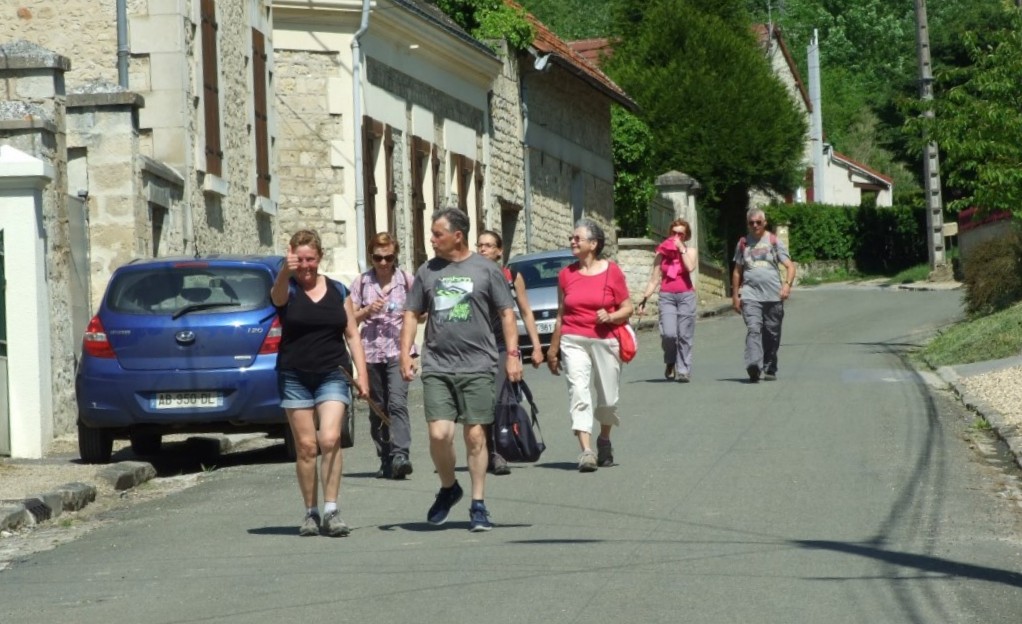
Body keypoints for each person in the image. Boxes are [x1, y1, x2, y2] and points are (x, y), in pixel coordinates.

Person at [399, 208, 522, 532]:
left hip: (479, 364)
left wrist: (512, 355)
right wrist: (406, 352)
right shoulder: (427, 271)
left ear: (457, 235)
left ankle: (478, 504)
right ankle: (449, 486)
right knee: (439, 434)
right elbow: (412, 313)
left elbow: (507, 313)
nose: (431, 238)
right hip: (438, 364)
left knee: (475, 436)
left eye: (437, 233)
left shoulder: (486, 269)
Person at [270, 229, 369, 537]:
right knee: (306, 446)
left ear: (319, 258)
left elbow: (352, 334)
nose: (306, 266)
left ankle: (332, 509)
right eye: (299, 260)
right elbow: (277, 297)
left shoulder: (339, 291)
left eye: (310, 259)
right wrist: (286, 270)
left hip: (333, 373)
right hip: (294, 375)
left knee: (329, 439)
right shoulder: (288, 288)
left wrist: (362, 375)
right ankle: (310, 512)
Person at [546, 219, 633, 472]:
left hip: (606, 340)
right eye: (572, 238)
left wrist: (612, 316)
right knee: (578, 391)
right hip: (573, 340)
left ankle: (604, 439)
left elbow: (627, 307)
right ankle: (586, 451)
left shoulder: (611, 271)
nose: (572, 241)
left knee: (608, 397)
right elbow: (561, 314)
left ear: (593, 244)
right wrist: (553, 349)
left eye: (577, 238)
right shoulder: (565, 275)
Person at [476, 230, 545, 475]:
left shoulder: (511, 276)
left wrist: (536, 346)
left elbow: (526, 311)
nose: (483, 249)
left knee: (500, 399)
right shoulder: (470, 275)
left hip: (503, 344)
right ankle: (487, 450)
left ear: (499, 251)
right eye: (480, 245)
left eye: (488, 245)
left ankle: (497, 452)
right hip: (476, 347)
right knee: (482, 401)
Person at [351, 232, 416, 480]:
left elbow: (420, 314)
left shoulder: (407, 281)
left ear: (395, 255)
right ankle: (385, 457)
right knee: (377, 407)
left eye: (388, 257)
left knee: (397, 402)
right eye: (378, 258)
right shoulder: (361, 283)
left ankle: (401, 454)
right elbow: (349, 319)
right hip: (370, 351)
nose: (384, 263)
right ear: (372, 257)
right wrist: (367, 310)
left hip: (399, 351)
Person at [731, 208, 796, 382]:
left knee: (771, 334)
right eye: (751, 222)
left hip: (774, 296)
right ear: (748, 224)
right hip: (750, 296)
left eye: (758, 222)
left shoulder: (774, 241)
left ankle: (769, 365)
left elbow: (790, 266)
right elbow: (737, 271)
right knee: (753, 329)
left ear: (764, 223)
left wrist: (787, 285)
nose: (755, 225)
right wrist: (736, 295)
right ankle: (754, 364)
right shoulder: (743, 243)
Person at [637, 219, 698, 382]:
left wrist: (681, 249)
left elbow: (690, 267)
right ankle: (671, 360)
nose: (676, 236)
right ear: (669, 233)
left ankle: (683, 370)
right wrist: (643, 300)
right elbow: (654, 279)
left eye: (681, 234)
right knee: (669, 334)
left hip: (686, 295)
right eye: (674, 233)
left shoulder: (690, 251)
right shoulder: (661, 253)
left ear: (686, 236)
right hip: (667, 297)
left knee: (684, 335)